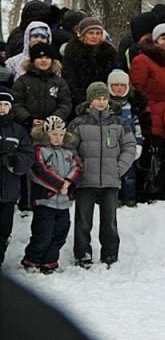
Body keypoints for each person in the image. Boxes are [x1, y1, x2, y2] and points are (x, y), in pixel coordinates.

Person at [68, 82, 136, 267]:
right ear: (90, 100)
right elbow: (69, 148)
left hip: (110, 180)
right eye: (97, 98)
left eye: (104, 98)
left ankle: (110, 254)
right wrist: (78, 168)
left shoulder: (119, 122)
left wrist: (119, 168)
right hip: (85, 180)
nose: (101, 102)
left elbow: (130, 147)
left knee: (109, 220)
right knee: (83, 220)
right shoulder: (78, 122)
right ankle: (83, 253)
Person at [129, 23, 165, 201]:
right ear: (155, 40)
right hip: (150, 114)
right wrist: (143, 112)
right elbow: (137, 88)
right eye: (163, 39)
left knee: (164, 156)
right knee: (150, 155)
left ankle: (159, 190)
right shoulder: (142, 60)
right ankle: (146, 192)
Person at [22, 116, 81, 273]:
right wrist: (59, 185)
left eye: (61, 134)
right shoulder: (39, 151)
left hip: (63, 202)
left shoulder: (67, 153)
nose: (58, 138)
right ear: (46, 134)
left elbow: (76, 167)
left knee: (60, 233)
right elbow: (38, 172)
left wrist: (67, 183)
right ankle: (32, 260)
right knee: (43, 233)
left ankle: (49, 261)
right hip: (45, 201)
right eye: (54, 134)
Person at [0, 90, 33, 266]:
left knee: (4, 229)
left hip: (9, 190)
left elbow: (28, 155)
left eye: (5, 105)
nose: (2, 108)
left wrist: (15, 160)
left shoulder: (18, 130)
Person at [11, 43, 72, 131]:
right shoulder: (22, 81)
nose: (44, 60)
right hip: (27, 128)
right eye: (39, 57)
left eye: (47, 58)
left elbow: (65, 104)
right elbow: (16, 103)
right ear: (32, 61)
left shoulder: (60, 82)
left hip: (54, 130)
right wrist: (28, 119)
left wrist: (53, 119)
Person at [107, 70, 145, 207]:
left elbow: (137, 127)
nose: (119, 88)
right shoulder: (105, 106)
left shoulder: (130, 106)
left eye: (122, 85)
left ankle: (130, 199)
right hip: (110, 148)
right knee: (112, 175)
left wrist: (138, 144)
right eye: (115, 85)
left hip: (128, 147)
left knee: (129, 176)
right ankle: (113, 198)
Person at [62, 17, 119, 107]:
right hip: (79, 101)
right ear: (83, 35)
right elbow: (70, 81)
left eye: (98, 33)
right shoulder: (72, 53)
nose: (94, 36)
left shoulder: (109, 53)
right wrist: (84, 102)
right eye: (90, 33)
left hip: (104, 101)